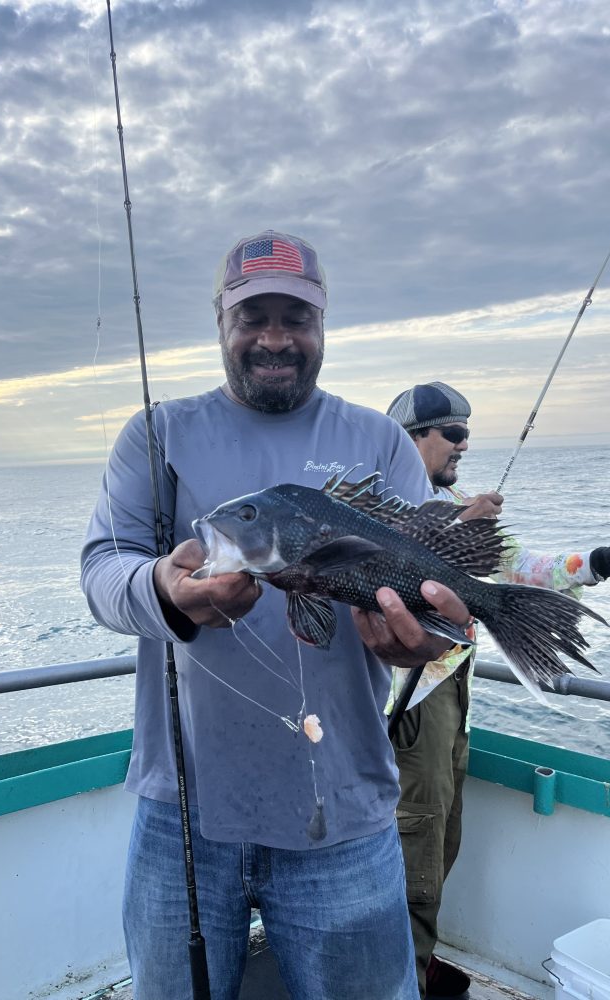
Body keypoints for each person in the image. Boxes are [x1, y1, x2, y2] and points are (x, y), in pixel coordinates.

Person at [81, 232, 472, 1000]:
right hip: (182, 812)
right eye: (251, 315)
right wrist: (165, 586)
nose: (274, 337)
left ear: (323, 324)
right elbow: (102, 573)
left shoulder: (381, 442)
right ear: (220, 322)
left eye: (296, 315)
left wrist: (425, 640)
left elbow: (434, 609)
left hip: (347, 814)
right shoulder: (157, 434)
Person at [385, 381, 610, 998]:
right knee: (414, 834)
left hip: (451, 689)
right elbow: (383, 575)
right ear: (410, 440)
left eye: (465, 431)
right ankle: (399, 972)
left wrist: (602, 559)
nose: (464, 443)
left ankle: (418, 957)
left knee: (444, 828)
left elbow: (524, 569)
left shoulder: (463, 507)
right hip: (405, 698)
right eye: (451, 433)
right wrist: (455, 523)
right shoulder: (390, 509)